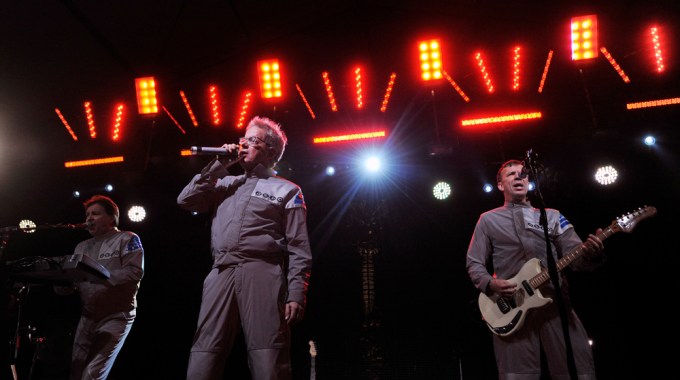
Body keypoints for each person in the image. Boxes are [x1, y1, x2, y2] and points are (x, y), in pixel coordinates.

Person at [178, 116, 312, 380]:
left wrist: (296, 292)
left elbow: (299, 246)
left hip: (262, 270)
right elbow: (186, 200)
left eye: (252, 140)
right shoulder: (226, 183)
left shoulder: (286, 190)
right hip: (222, 271)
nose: (243, 145)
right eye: (243, 139)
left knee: (267, 353)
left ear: (270, 150)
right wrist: (220, 164)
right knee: (205, 351)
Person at [466, 159, 605, 380]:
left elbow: (577, 257)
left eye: (523, 174)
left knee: (577, 370)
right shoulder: (488, 219)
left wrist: (592, 252)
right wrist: (490, 284)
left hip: (555, 303)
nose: (518, 177)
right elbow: (474, 262)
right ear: (501, 185)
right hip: (511, 305)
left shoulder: (552, 215)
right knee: (517, 375)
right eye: (511, 174)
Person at [63, 195, 144, 379]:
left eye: (96, 213)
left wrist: (98, 276)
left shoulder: (128, 238)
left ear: (112, 217)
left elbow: (134, 273)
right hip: (88, 317)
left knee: (92, 374)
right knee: (75, 371)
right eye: (87, 214)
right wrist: (62, 284)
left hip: (117, 316)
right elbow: (74, 282)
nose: (89, 218)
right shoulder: (81, 247)